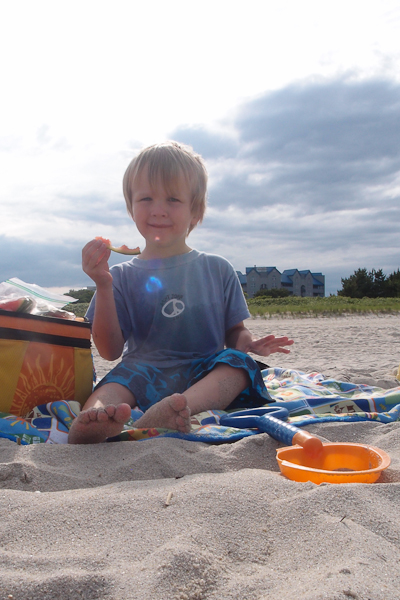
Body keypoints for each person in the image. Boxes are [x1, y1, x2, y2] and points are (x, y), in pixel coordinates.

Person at [68, 141, 293, 444]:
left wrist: (249, 344)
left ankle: (177, 407)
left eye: (173, 199)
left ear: (195, 211)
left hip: (203, 374)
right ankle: (95, 418)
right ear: (131, 207)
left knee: (238, 366)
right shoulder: (118, 276)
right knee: (114, 384)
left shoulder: (217, 269)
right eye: (146, 198)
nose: (158, 210)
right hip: (142, 371)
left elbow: (235, 333)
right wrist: (103, 286)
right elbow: (110, 352)